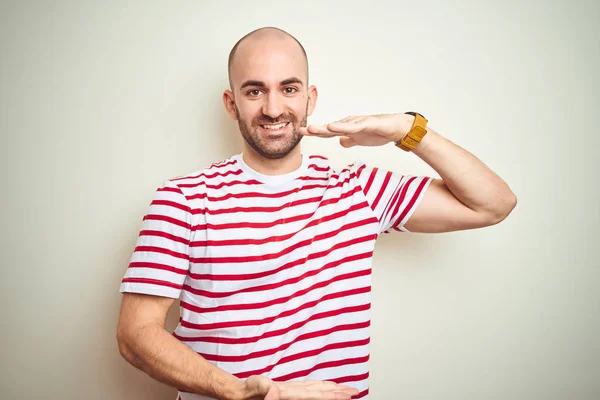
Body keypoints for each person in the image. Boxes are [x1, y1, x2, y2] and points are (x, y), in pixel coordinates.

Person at [116, 26, 517, 400]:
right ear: (231, 103)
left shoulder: (358, 190)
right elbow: (135, 334)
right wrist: (237, 391)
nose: (273, 109)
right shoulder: (184, 199)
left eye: (288, 89)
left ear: (309, 99)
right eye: (254, 91)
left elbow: (493, 204)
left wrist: (404, 128)